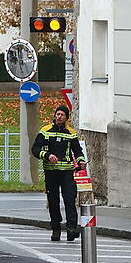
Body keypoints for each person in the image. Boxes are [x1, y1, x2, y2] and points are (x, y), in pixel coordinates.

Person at [32, 104, 86, 242]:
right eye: (57, 114)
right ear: (54, 116)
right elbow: (35, 149)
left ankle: (71, 229)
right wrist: (47, 155)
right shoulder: (45, 131)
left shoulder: (71, 133)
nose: (59, 116)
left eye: (62, 114)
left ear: (66, 117)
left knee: (69, 199)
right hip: (51, 172)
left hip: (67, 172)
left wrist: (81, 161)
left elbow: (77, 151)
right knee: (53, 201)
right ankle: (56, 229)